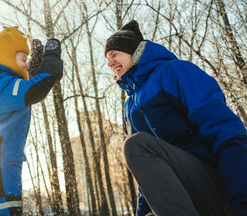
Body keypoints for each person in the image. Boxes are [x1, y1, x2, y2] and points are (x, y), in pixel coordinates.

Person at [104, 20, 247, 216]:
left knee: (136, 144)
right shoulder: (130, 105)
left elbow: (226, 131)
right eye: (107, 59)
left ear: (133, 51)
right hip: (184, 196)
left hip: (220, 186)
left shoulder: (175, 72)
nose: (110, 64)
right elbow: (148, 172)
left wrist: (241, 199)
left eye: (114, 55)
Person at [0, 27, 63, 215]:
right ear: (6, 57)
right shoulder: (1, 85)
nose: (26, 65)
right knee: (8, 212)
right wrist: (50, 65)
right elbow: (33, 91)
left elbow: (25, 89)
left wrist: (34, 72)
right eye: (23, 60)